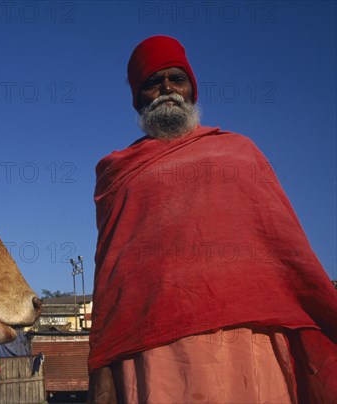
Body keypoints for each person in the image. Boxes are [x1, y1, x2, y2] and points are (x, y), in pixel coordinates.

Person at [88, 35, 337, 403]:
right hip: (154, 346)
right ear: (139, 98)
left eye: (177, 78)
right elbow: (112, 271)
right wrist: (103, 359)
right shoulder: (118, 172)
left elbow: (284, 242)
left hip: (248, 336)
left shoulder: (239, 151)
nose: (167, 89)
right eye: (153, 82)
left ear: (192, 88)